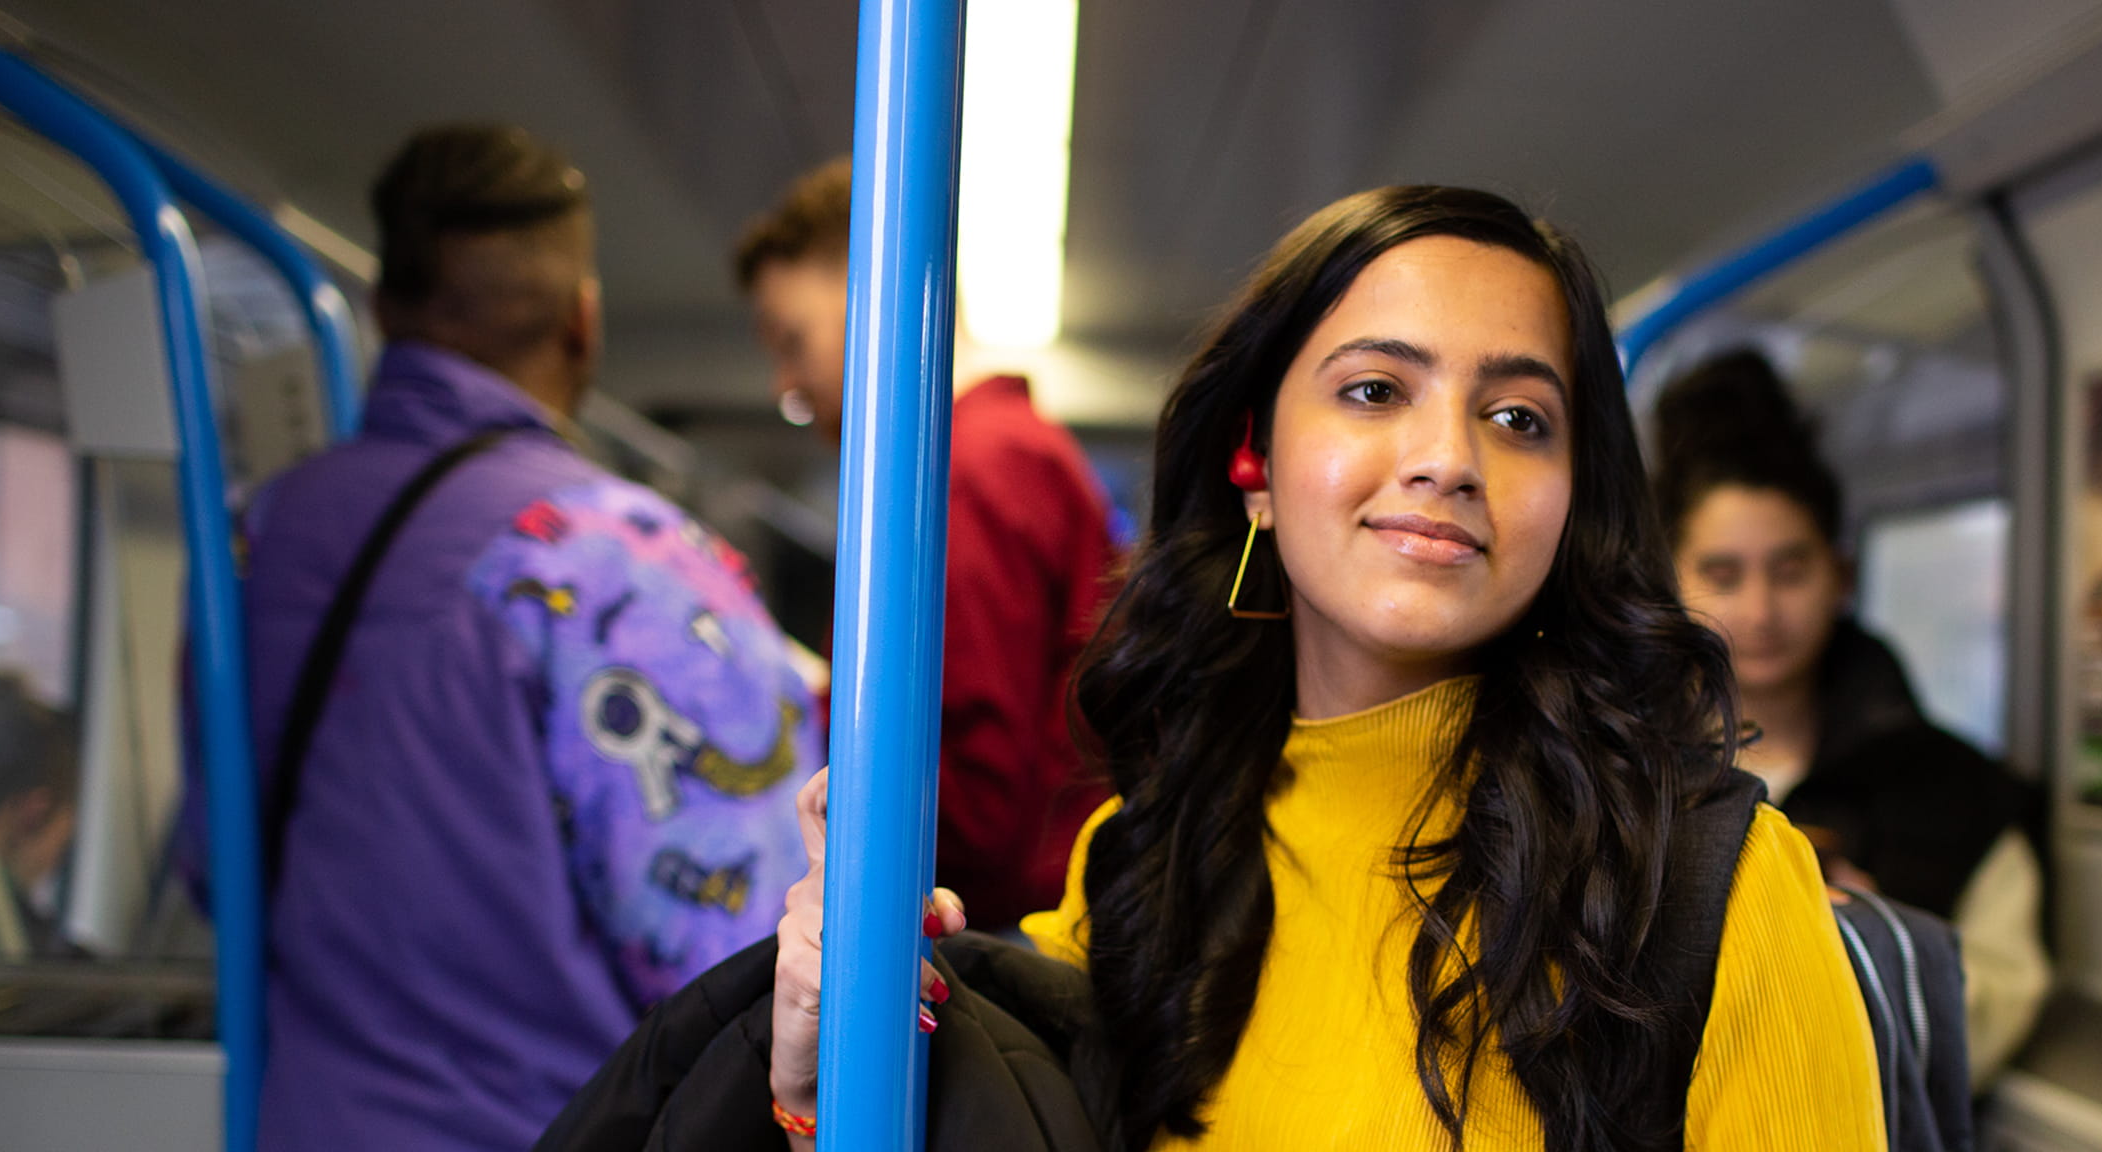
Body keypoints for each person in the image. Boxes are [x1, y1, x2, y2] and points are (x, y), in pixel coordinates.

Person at [764, 187, 1885, 1149]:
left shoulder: (1705, 888)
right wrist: (833, 1076)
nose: (1449, 458)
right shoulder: (1144, 865)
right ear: (1254, 461)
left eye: (1517, 416)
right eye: (1374, 391)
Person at [172, 125, 819, 1150]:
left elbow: (215, 866)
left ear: (385, 313)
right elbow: (763, 970)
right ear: (583, 323)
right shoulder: (620, 558)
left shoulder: (263, 533)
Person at [732, 158, 1120, 931]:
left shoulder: (966, 472)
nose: (787, 384)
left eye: (792, 339)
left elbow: (974, 805)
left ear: (865, 289)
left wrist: (797, 720)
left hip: (1002, 930)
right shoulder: (1011, 454)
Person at [1651, 348, 2050, 1085]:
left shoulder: (1959, 795)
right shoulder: (1614, 770)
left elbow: (2002, 1004)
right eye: (1723, 574)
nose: (1762, 610)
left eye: (1791, 570)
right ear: (1670, 579)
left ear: (1842, 576)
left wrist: (1884, 949)